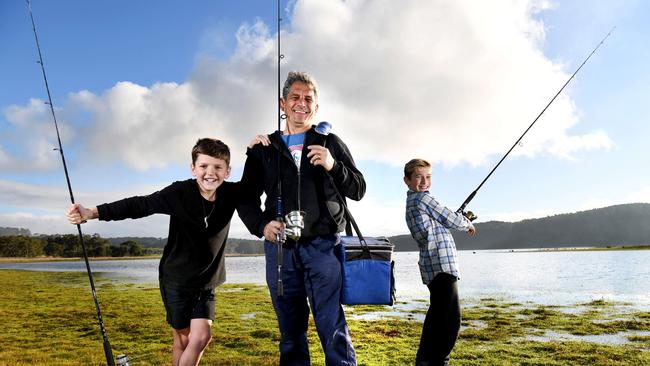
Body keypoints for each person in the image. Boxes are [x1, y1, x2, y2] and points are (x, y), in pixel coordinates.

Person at [67, 138, 238, 366]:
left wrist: (254, 147)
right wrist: (91, 212)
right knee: (183, 339)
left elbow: (259, 183)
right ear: (193, 168)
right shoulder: (179, 192)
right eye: (204, 166)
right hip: (176, 280)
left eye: (218, 167)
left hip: (206, 282)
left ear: (227, 171)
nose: (210, 173)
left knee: (201, 337)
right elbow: (139, 205)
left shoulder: (232, 193)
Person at [238, 71, 365, 365]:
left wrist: (333, 165)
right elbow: (245, 198)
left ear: (316, 107)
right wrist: (261, 225)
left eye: (308, 98)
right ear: (282, 104)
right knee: (291, 333)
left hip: (324, 248)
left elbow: (358, 188)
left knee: (331, 325)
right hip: (281, 250)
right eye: (294, 97)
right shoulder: (263, 149)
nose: (301, 103)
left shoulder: (330, 141)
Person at [403, 158, 476, 366]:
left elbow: (440, 221)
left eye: (428, 177)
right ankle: (440, 361)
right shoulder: (422, 199)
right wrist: (466, 223)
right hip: (442, 265)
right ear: (406, 180)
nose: (424, 181)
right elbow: (450, 218)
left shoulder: (413, 202)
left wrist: (457, 218)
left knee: (436, 317)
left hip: (431, 267)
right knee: (451, 321)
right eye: (418, 177)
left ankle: (424, 360)